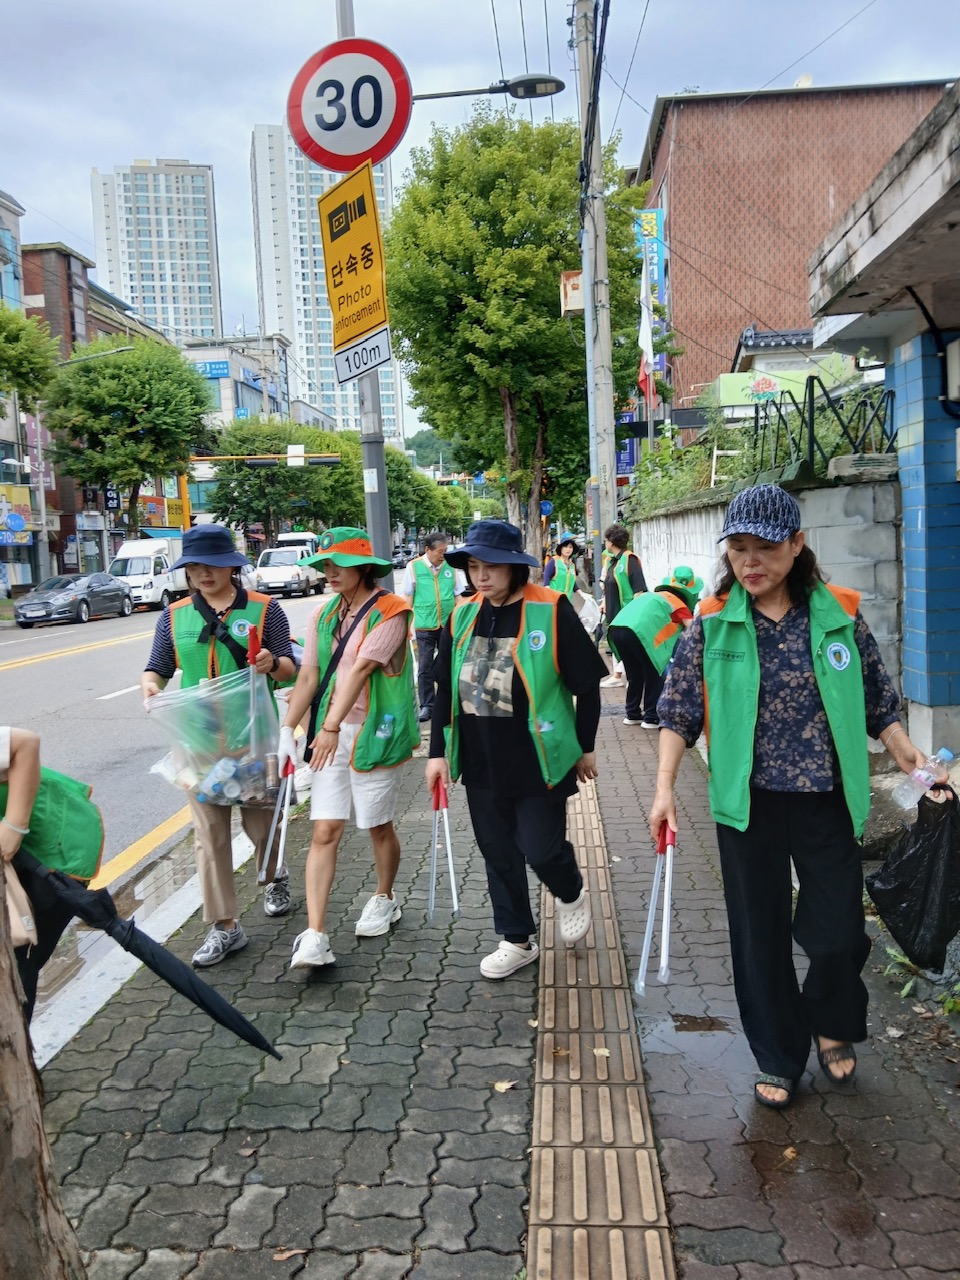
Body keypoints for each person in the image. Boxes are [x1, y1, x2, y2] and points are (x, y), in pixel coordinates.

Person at [648, 483, 938, 1109]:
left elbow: (876, 696)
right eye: (740, 550)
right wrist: (665, 788)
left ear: (797, 544)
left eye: (766, 548)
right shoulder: (711, 622)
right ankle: (778, 1055)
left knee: (836, 934)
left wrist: (903, 745)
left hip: (825, 799)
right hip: (745, 803)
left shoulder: (837, 612)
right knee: (760, 935)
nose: (751, 562)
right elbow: (677, 711)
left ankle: (832, 1018)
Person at [425, 519, 608, 979]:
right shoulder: (462, 614)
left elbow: (587, 686)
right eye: (473, 566)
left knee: (542, 849)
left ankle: (570, 891)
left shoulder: (550, 607)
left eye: (491, 566)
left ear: (513, 567)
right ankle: (516, 938)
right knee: (498, 852)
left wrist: (585, 746)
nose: (481, 575)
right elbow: (444, 688)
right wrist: (436, 752)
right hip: (481, 756)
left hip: (538, 758)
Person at [141, 523, 297, 967]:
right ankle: (225, 925)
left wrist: (271, 663)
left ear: (232, 567)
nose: (204, 574)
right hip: (198, 743)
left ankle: (275, 875)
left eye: (213, 565)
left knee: (262, 827)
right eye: (194, 566)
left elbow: (290, 669)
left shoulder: (266, 609)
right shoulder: (173, 616)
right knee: (209, 835)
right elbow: (158, 667)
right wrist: (149, 687)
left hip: (252, 739)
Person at [277, 527, 418, 971]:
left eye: (339, 565)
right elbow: (308, 677)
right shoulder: (321, 615)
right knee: (324, 831)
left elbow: (360, 670)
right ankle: (315, 934)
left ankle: (385, 896)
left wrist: (332, 725)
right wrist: (288, 730)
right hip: (328, 736)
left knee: (376, 825)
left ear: (364, 567)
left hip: (372, 732)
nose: (330, 572)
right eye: (324, 566)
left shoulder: (392, 611)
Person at [1, 727, 75, 1022]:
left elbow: (24, 743)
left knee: (21, 962)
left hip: (54, 849)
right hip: (31, 856)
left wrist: (13, 827)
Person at [609, 565, 701, 727]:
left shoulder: (653, 596)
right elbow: (693, 628)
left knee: (635, 675)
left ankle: (632, 714)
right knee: (654, 673)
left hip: (617, 629)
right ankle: (651, 717)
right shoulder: (677, 603)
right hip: (639, 633)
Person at [399, 533, 467, 723]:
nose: (443, 555)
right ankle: (427, 705)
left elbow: (459, 597)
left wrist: (465, 620)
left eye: (445, 551)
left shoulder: (451, 567)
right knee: (425, 666)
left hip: (447, 625)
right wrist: (405, 624)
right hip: (424, 625)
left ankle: (453, 701)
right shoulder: (413, 567)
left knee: (451, 663)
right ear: (427, 550)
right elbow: (407, 598)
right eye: (440, 552)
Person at [600, 524, 648, 687]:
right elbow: (610, 585)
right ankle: (622, 676)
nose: (605, 543)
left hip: (627, 617)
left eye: (606, 540)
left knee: (630, 650)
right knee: (618, 646)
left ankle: (632, 679)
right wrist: (605, 602)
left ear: (612, 542)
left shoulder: (629, 559)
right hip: (615, 615)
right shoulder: (614, 560)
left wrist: (634, 616)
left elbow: (638, 590)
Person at [543, 533, 581, 598]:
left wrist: (582, 594)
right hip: (554, 600)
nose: (568, 549)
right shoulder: (554, 561)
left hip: (566, 602)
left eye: (570, 547)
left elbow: (572, 583)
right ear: (561, 548)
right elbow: (546, 580)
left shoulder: (572, 565)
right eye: (565, 547)